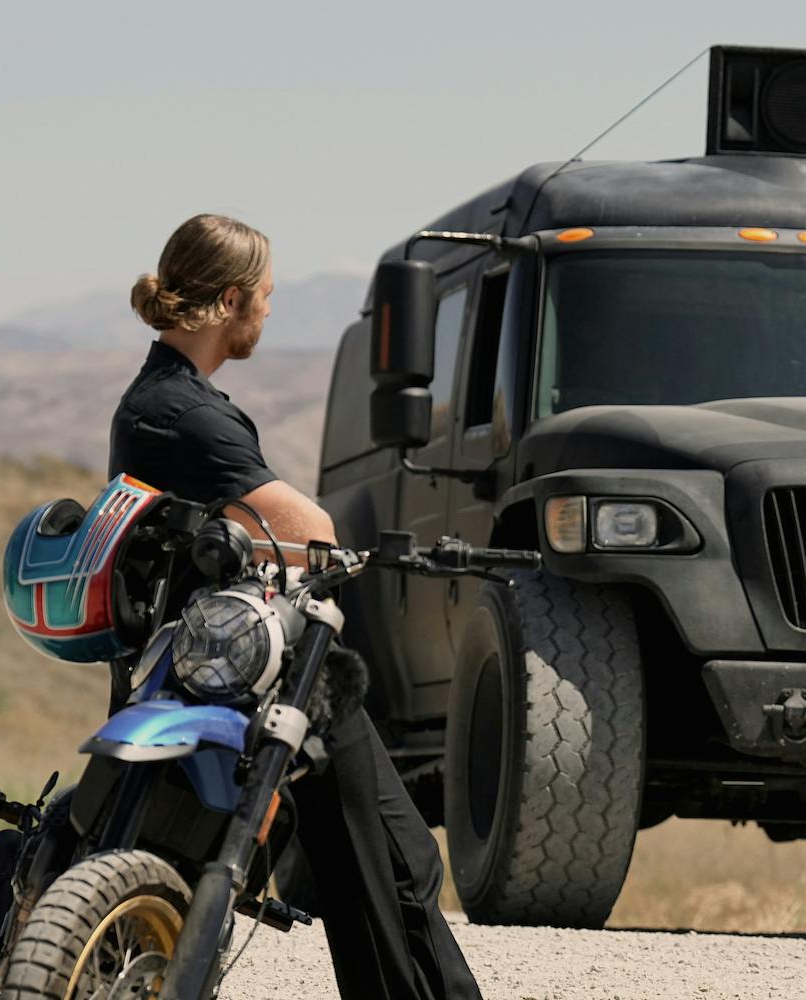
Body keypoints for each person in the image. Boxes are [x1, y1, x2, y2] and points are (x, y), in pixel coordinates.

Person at [110, 213, 483, 1000]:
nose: (271, 312)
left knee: (392, 860)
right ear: (235, 300)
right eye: (268, 297)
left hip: (203, 662)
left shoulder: (149, 399)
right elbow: (310, 531)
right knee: (384, 863)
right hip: (264, 671)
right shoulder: (190, 413)